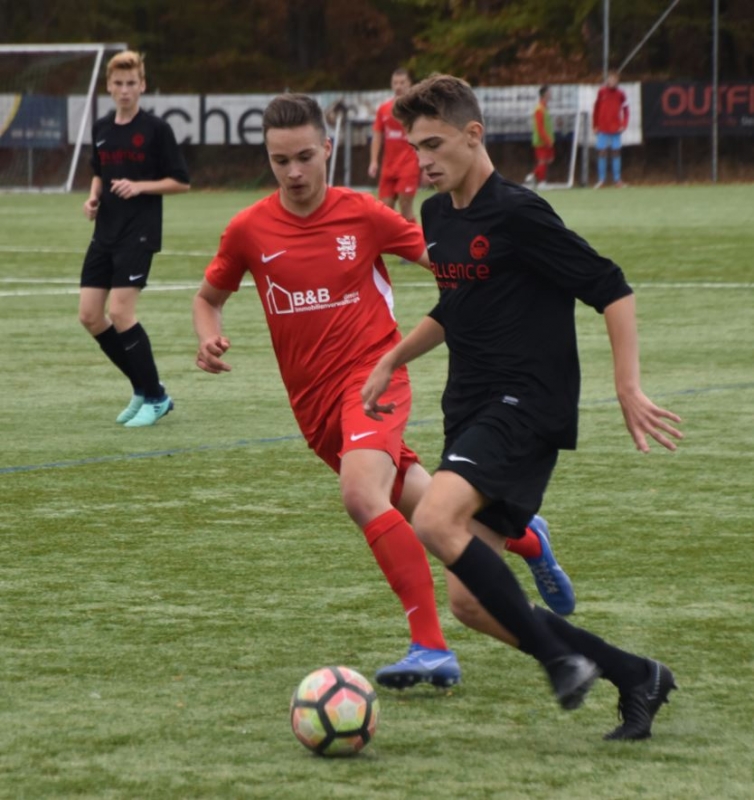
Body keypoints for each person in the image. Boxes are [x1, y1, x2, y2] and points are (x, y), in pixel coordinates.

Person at [192, 93, 575, 692]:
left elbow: (450, 266)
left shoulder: (364, 215)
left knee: (361, 494)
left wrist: (504, 299)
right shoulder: (248, 229)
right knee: (421, 507)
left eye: (304, 157)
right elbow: (207, 298)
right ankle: (526, 538)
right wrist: (207, 337)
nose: (294, 172)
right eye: (279, 161)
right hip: (313, 405)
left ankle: (430, 646)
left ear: (328, 149)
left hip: (374, 378)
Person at [362, 74, 683, 740]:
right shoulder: (436, 217)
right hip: (470, 406)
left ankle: (557, 659)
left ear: (472, 135)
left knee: (433, 518)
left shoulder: (518, 213)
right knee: (472, 604)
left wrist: (627, 386)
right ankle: (637, 675)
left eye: (434, 145)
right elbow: (458, 304)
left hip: (528, 403)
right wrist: (393, 358)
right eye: (414, 147)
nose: (422, 161)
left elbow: (611, 287)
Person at [78, 50, 190, 427]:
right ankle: (144, 387)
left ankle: (156, 397)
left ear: (142, 85)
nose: (125, 90)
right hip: (105, 231)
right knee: (90, 315)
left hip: (139, 232)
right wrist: (93, 198)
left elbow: (181, 182)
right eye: (118, 83)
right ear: (109, 87)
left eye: (131, 83)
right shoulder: (102, 128)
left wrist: (140, 186)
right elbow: (99, 172)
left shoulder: (157, 129)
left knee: (121, 312)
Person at [368, 68, 421, 222]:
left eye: (402, 83)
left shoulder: (416, 110)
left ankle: (414, 237)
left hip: (409, 164)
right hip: (388, 167)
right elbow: (377, 136)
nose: (398, 86)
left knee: (405, 207)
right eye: (395, 83)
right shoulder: (384, 109)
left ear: (410, 84)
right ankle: (393, 238)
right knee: (385, 210)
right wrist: (373, 161)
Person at [593, 70, 629, 188]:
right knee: (602, 152)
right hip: (603, 128)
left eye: (614, 79)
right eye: (610, 79)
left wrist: (624, 124)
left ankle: (617, 180)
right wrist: (595, 125)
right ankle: (601, 180)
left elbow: (626, 110)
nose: (612, 81)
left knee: (616, 152)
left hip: (615, 128)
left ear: (617, 81)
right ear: (607, 80)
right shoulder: (601, 92)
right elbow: (596, 108)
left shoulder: (621, 94)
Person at [524, 85, 554, 189]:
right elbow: (540, 127)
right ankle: (539, 181)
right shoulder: (539, 109)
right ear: (544, 94)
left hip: (547, 139)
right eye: (549, 92)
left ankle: (534, 178)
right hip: (540, 140)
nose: (551, 94)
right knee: (542, 161)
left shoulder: (545, 108)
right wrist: (546, 139)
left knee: (547, 160)